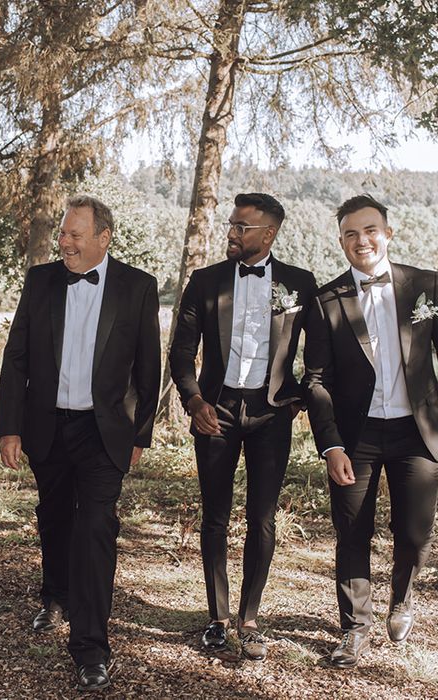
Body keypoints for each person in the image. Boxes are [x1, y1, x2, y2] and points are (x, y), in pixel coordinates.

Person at [303, 193, 438, 668]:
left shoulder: (425, 285)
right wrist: (331, 444)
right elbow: (315, 379)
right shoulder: (325, 300)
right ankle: (355, 627)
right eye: (350, 233)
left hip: (416, 433)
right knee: (351, 531)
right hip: (354, 438)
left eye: (369, 230)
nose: (361, 240)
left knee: (415, 531)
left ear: (388, 233)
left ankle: (402, 598)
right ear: (341, 241)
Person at [0, 194, 161, 692]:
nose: (63, 241)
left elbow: (149, 368)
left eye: (73, 234)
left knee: (95, 528)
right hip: (47, 424)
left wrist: (141, 434)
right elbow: (17, 357)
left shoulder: (138, 286)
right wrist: (10, 425)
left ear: (102, 238)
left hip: (103, 431)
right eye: (62, 233)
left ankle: (91, 646)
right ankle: (55, 594)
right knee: (54, 515)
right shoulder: (41, 280)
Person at [169, 193, 316, 660]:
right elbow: (180, 349)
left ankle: (249, 617)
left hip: (272, 412)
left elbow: (322, 349)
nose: (231, 233)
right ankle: (217, 616)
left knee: (263, 517)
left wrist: (299, 397)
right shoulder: (206, 281)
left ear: (267, 234)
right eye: (231, 225)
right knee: (214, 514)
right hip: (217, 409)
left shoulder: (299, 283)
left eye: (240, 226)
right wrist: (193, 400)